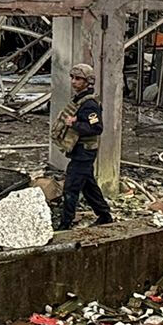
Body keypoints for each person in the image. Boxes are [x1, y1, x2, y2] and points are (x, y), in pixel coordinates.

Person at [55, 61, 113, 228]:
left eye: (78, 79)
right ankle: (104, 215)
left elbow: (96, 128)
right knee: (88, 187)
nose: (74, 81)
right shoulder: (80, 100)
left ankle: (65, 225)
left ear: (88, 82)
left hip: (84, 153)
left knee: (70, 189)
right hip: (80, 151)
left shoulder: (89, 104)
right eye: (72, 78)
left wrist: (74, 124)